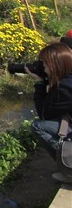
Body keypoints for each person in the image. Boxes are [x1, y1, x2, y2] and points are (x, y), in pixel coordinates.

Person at [28, 41, 72, 182]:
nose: (44, 68)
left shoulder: (64, 87)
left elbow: (45, 114)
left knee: (38, 126)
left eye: (45, 65)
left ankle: (68, 166)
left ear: (55, 66)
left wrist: (40, 83)